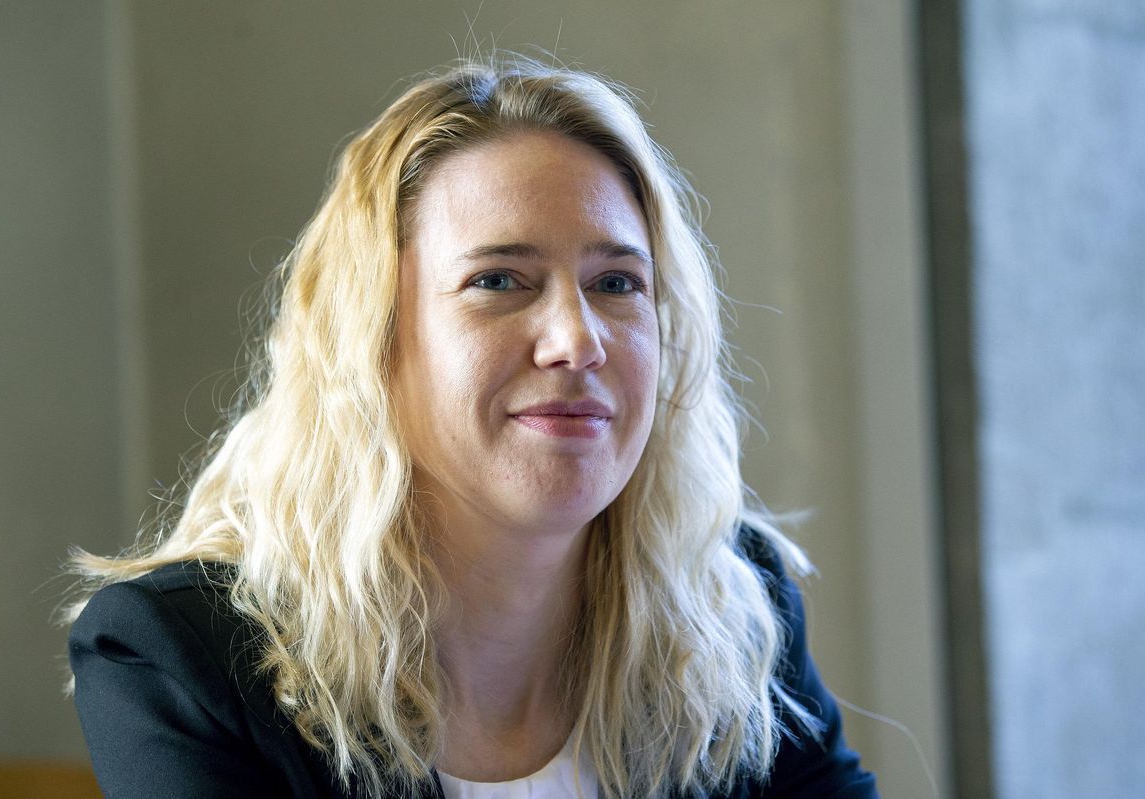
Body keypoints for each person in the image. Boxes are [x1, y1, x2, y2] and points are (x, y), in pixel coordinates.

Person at [64, 55, 878, 798]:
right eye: (499, 280)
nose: (578, 340)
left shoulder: (731, 605)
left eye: (617, 283)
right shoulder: (183, 658)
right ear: (373, 337)